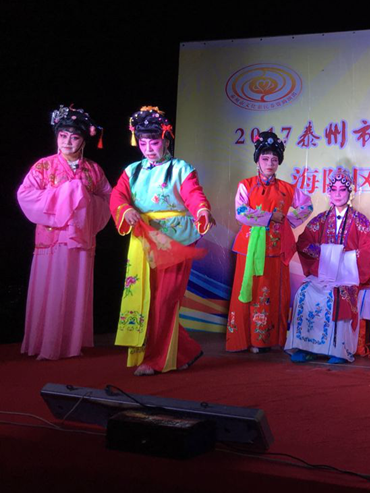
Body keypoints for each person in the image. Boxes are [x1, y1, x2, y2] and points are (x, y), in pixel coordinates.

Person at [110, 106, 215, 376]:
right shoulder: (132, 171)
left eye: (154, 142)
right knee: (145, 299)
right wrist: (125, 209)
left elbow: (193, 194)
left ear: (166, 139)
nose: (148, 149)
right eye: (143, 143)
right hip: (143, 239)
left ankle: (156, 359)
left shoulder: (181, 169)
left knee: (164, 299)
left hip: (174, 241)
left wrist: (202, 210)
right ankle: (184, 351)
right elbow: (117, 196)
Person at [17, 105, 111, 360]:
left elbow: (107, 198)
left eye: (74, 137)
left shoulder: (93, 170)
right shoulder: (44, 166)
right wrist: (66, 193)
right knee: (51, 289)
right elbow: (25, 194)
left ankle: (71, 345)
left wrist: (85, 201)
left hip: (81, 238)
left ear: (84, 141)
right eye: (63, 136)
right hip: (52, 237)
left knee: (75, 290)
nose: (67, 142)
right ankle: (44, 345)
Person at [225, 131, 313, 353]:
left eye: (274, 159)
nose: (270, 163)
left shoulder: (286, 188)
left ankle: (268, 339)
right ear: (257, 160)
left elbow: (307, 205)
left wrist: (287, 221)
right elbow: (241, 212)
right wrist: (269, 216)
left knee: (271, 293)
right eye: (265, 158)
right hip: (249, 248)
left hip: (275, 247)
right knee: (249, 290)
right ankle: (243, 340)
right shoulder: (246, 185)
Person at [285, 169, 370, 364]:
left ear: (350, 192)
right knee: (304, 292)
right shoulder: (320, 220)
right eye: (334, 189)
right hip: (323, 274)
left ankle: (338, 350)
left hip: (347, 277)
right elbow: (303, 243)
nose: (338, 194)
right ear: (328, 193)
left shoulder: (360, 221)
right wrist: (324, 254)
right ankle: (306, 347)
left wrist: (344, 258)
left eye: (342, 190)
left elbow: (369, 249)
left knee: (340, 296)